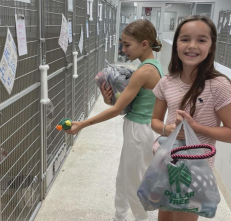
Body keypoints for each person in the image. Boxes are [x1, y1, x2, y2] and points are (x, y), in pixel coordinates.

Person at [65, 19, 163, 221]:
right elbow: (122, 105)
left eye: (127, 44)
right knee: (123, 178)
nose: (123, 49)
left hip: (140, 132)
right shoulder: (151, 66)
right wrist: (108, 98)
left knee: (135, 184)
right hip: (137, 128)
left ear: (144, 44)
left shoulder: (145, 71)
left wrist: (82, 124)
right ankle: (120, 217)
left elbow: (117, 109)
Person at [151, 15, 231, 221]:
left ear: (211, 46)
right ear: (176, 44)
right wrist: (169, 130)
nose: (192, 45)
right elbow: (155, 121)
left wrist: (195, 128)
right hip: (167, 162)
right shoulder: (166, 82)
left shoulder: (218, 85)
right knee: (164, 217)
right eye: (185, 39)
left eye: (201, 40)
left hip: (194, 170)